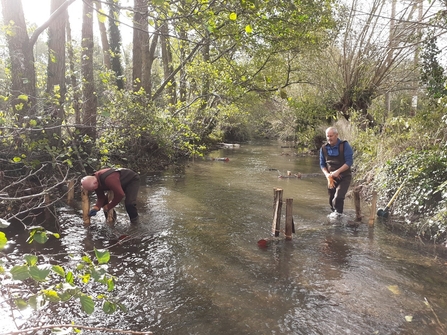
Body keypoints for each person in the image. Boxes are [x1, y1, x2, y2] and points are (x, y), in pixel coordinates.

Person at [320, 127, 353, 218]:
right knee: (331, 199)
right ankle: (335, 216)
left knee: (338, 197)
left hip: (344, 176)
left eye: (331, 136)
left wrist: (337, 172)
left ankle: (338, 217)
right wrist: (327, 175)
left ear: (336, 135)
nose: (329, 138)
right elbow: (322, 164)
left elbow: (349, 162)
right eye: (327, 136)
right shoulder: (323, 148)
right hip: (331, 178)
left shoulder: (344, 145)